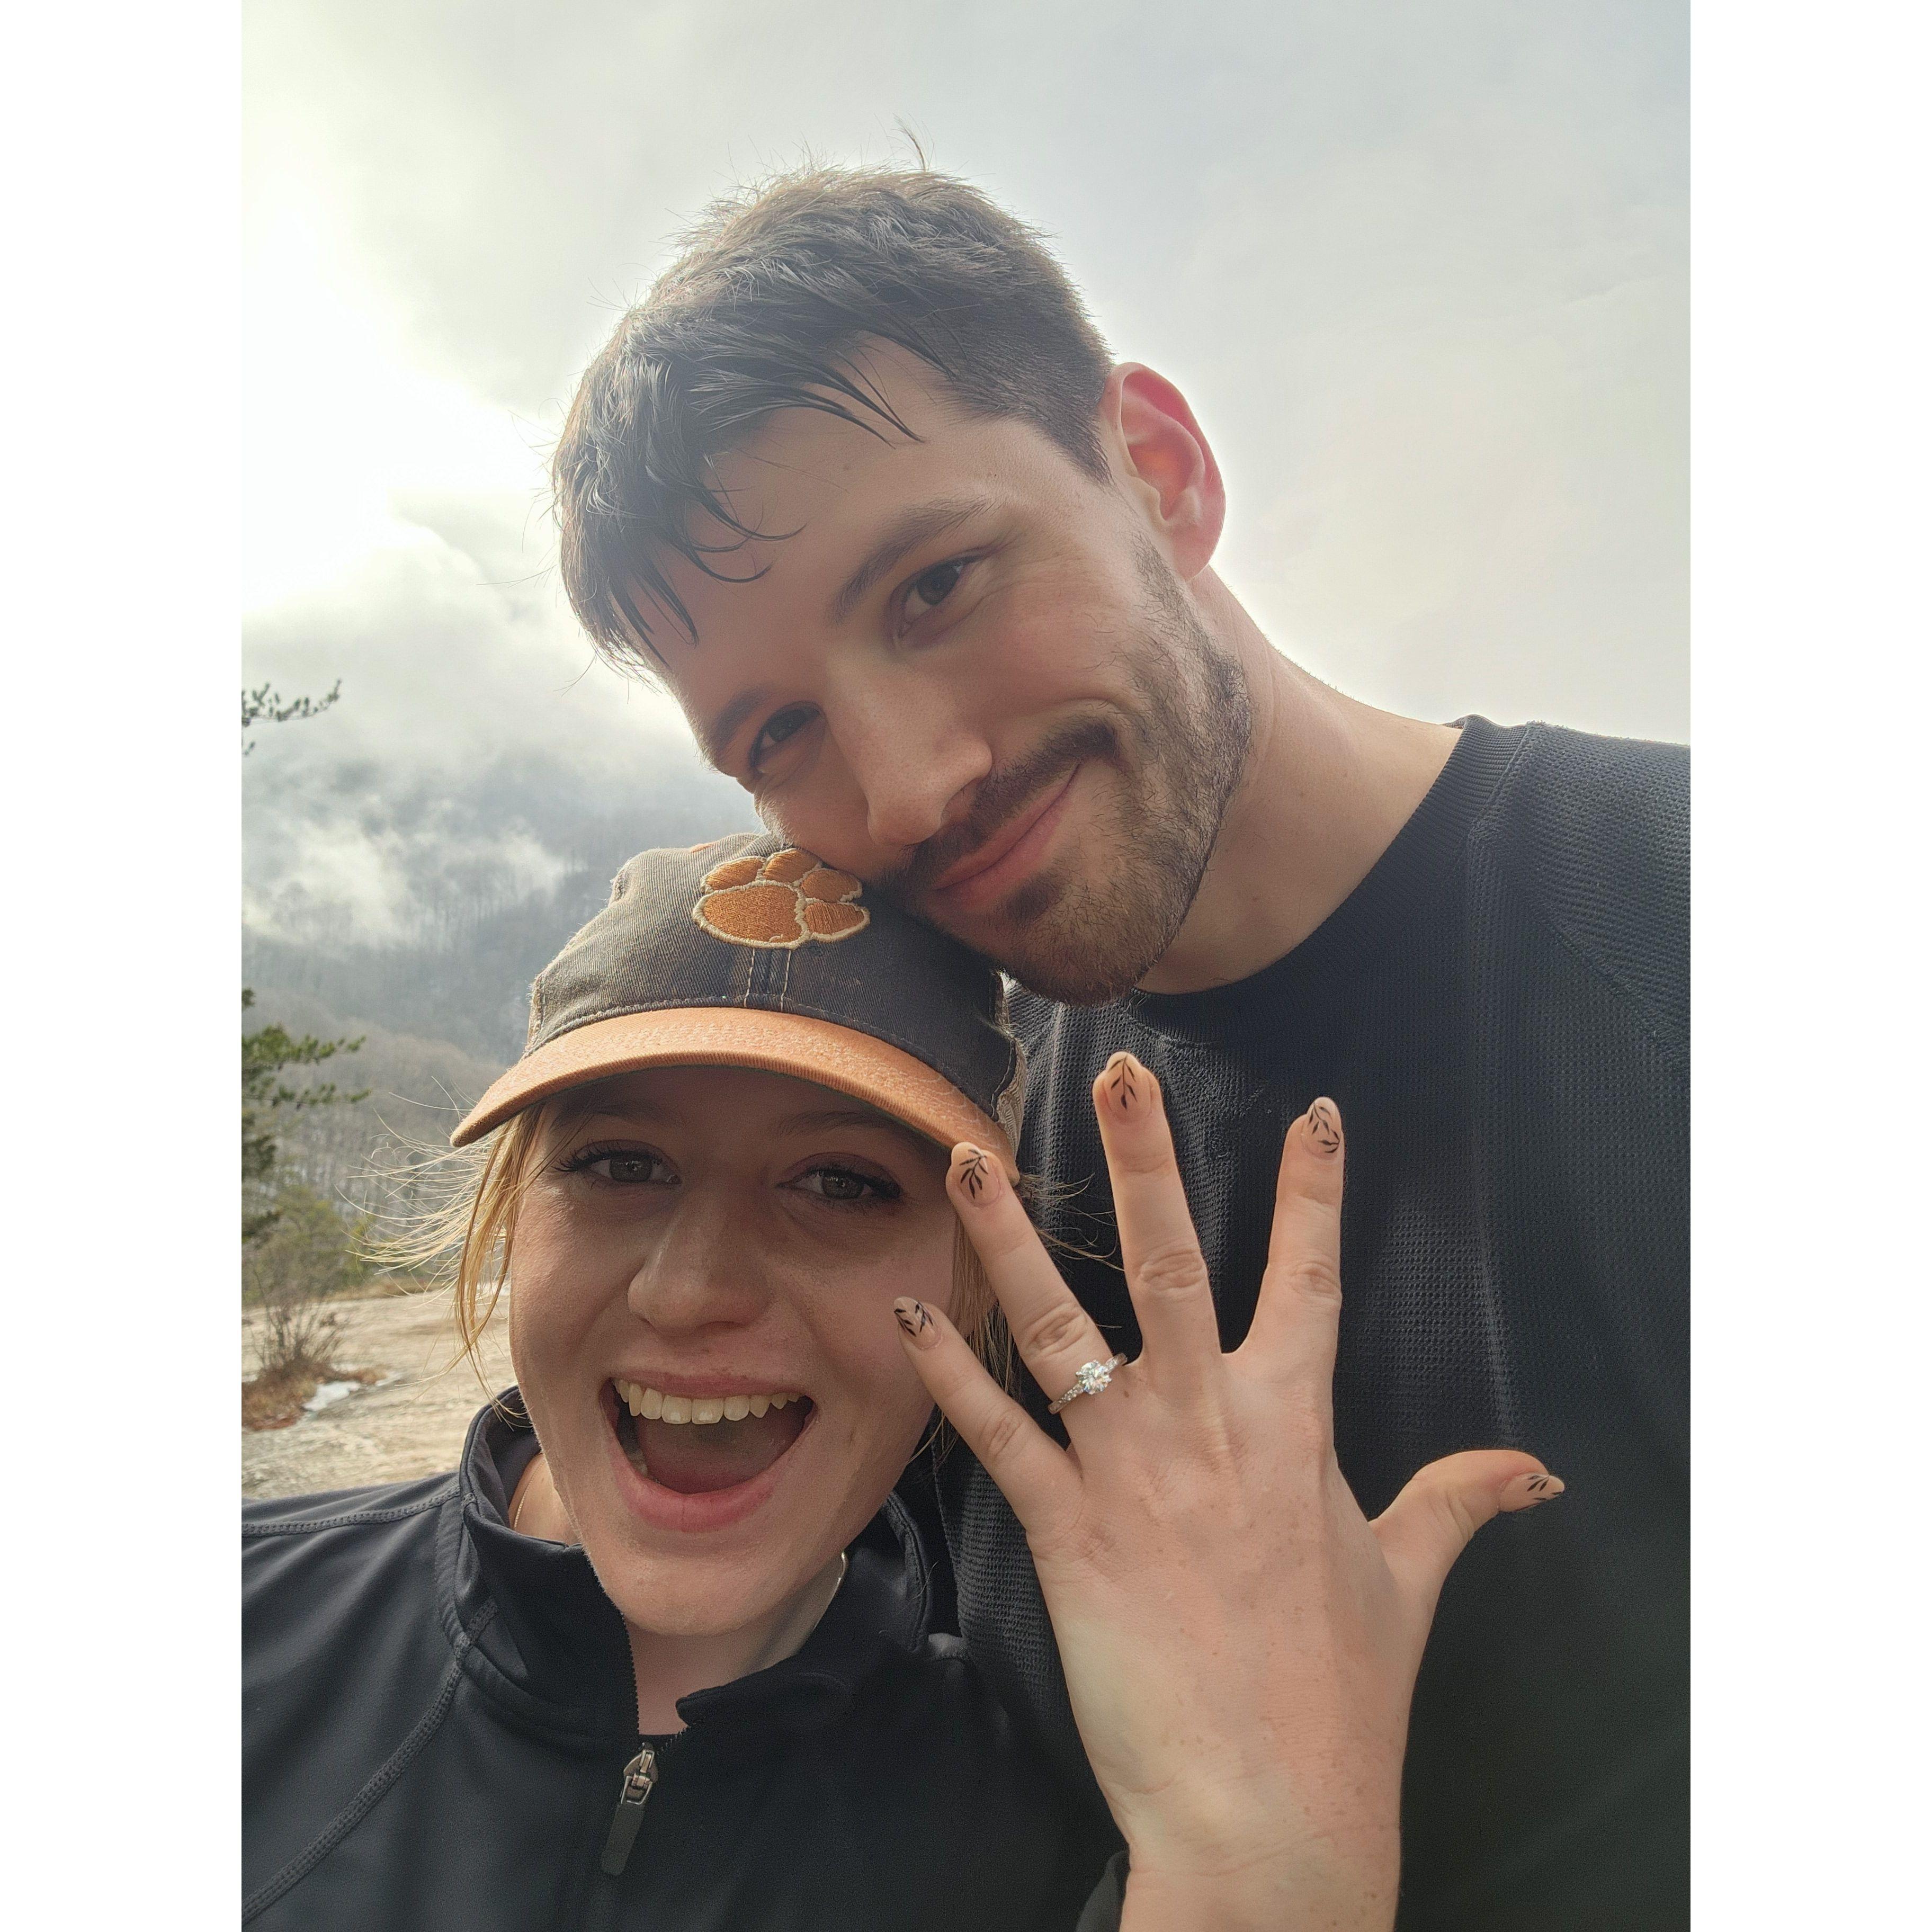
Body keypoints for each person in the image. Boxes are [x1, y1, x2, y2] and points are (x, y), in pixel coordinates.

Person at [549, 165, 1689, 1927]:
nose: (907, 784)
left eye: (930, 587)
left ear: (1154, 473)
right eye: (779, 731)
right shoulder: (962, 1130)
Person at [243, 834, 1557, 1931]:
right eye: (620, 1163)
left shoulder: (1037, 1839)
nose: (693, 1288)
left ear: (975, 1285)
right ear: (511, 1222)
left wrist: (1268, 1875)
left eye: (842, 1184)